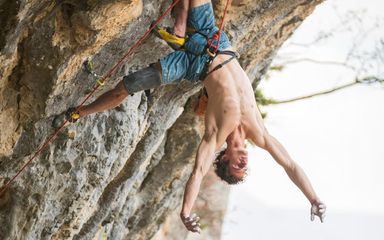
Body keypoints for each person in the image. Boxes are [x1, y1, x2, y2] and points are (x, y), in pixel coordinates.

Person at [59, 0, 326, 233]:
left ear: (224, 158)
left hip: (193, 65)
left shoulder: (215, 134)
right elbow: (291, 166)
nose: (243, 161)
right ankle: (180, 24)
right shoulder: (260, 132)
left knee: (127, 85)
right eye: (244, 166)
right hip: (214, 40)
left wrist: (186, 212)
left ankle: (79, 112)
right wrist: (313, 198)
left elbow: (198, 172)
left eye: (237, 166)